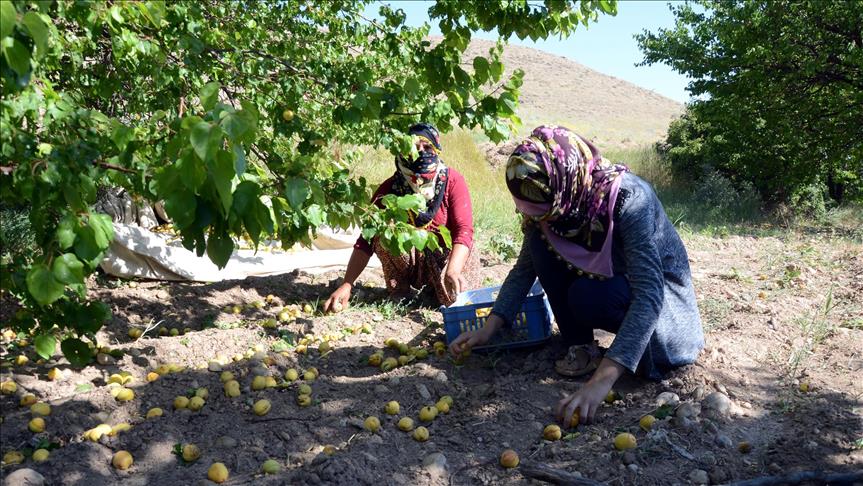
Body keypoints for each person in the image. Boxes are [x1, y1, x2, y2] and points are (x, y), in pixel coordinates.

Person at [449, 125, 704, 426]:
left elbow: (649, 294)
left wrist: (601, 382)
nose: (535, 218)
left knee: (587, 295)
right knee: (542, 247)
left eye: (543, 212)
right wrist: (489, 328)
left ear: (563, 188)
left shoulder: (631, 201)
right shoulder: (556, 200)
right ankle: (580, 345)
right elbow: (524, 269)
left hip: (666, 318)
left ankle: (626, 359)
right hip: (617, 287)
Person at [323, 123, 479, 312]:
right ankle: (401, 291)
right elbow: (366, 239)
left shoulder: (452, 181)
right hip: (413, 264)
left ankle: (437, 291)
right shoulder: (390, 190)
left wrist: (453, 270)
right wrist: (347, 284)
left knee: (458, 302)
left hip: (446, 259)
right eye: (414, 148)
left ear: (436, 150)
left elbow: (464, 230)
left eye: (427, 147)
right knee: (383, 234)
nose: (421, 153)